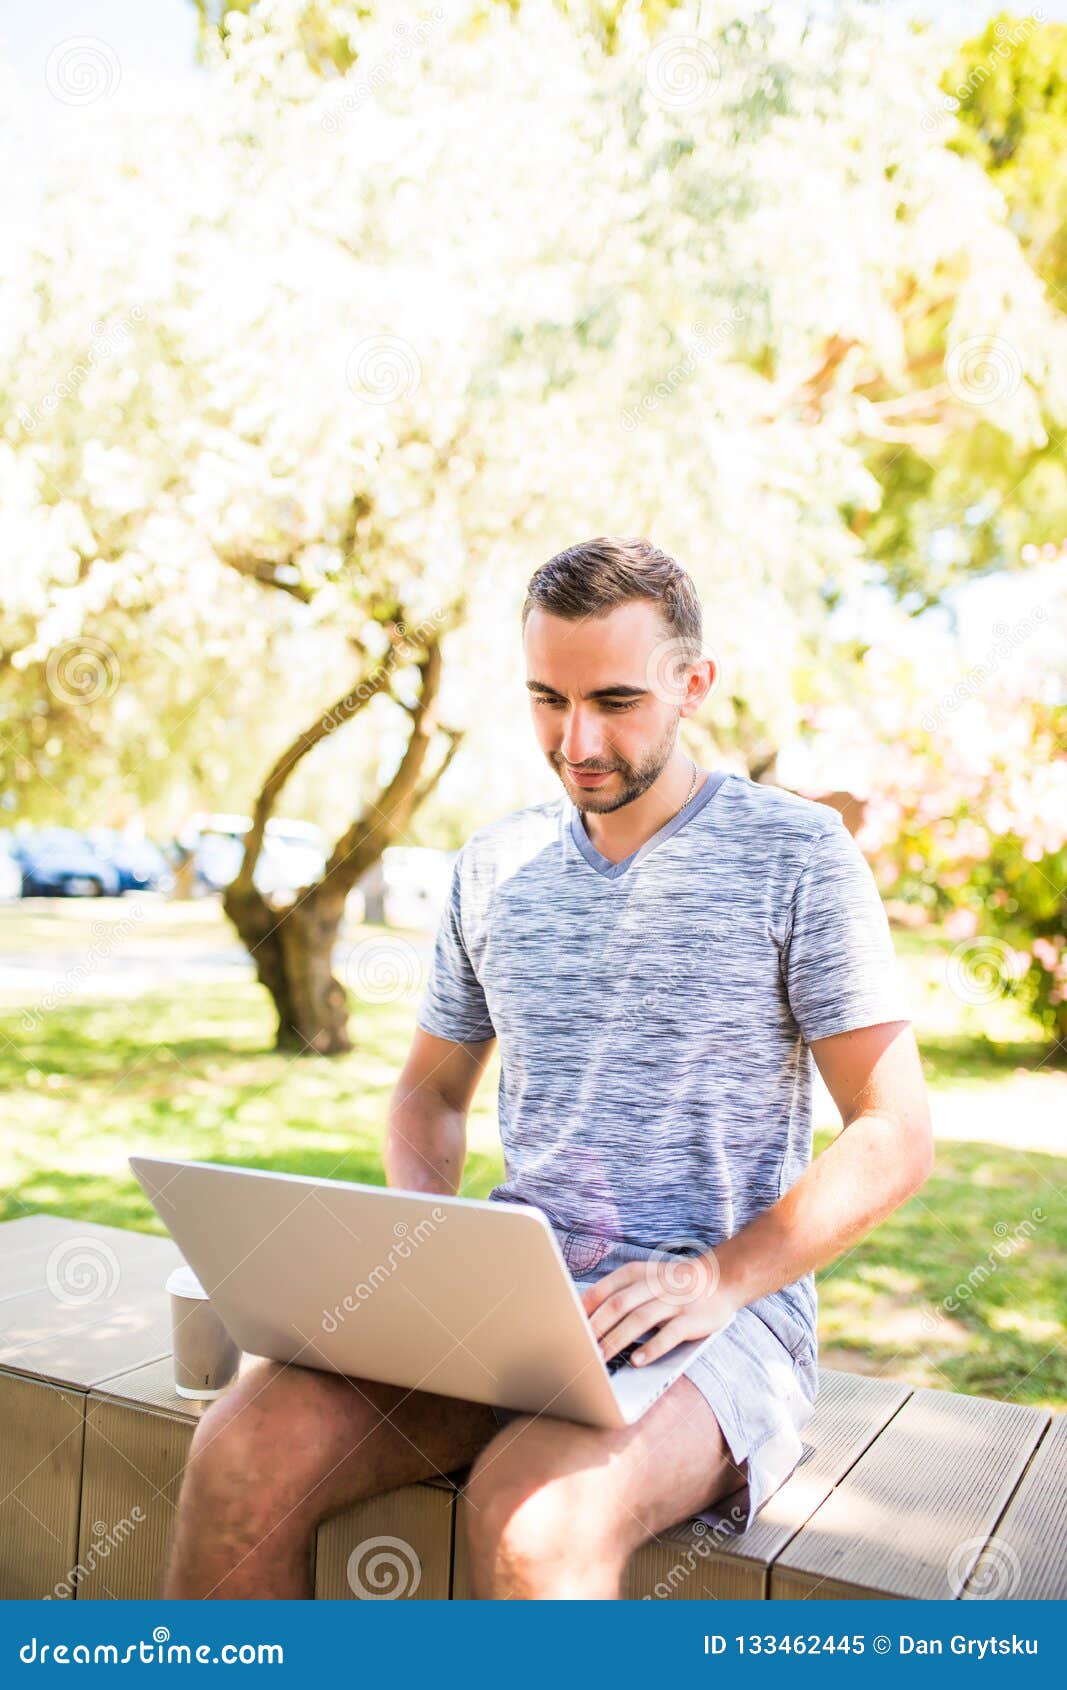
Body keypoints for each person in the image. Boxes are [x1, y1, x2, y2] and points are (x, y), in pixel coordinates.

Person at [163, 535, 932, 1600]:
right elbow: (429, 1092)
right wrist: (417, 1251)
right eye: (545, 699)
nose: (576, 740)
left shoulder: (797, 857)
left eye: (614, 700)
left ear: (692, 684)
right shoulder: (493, 866)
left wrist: (720, 1276)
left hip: (714, 1320)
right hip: (506, 1302)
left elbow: (892, 1130)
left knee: (531, 1517)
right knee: (242, 1446)